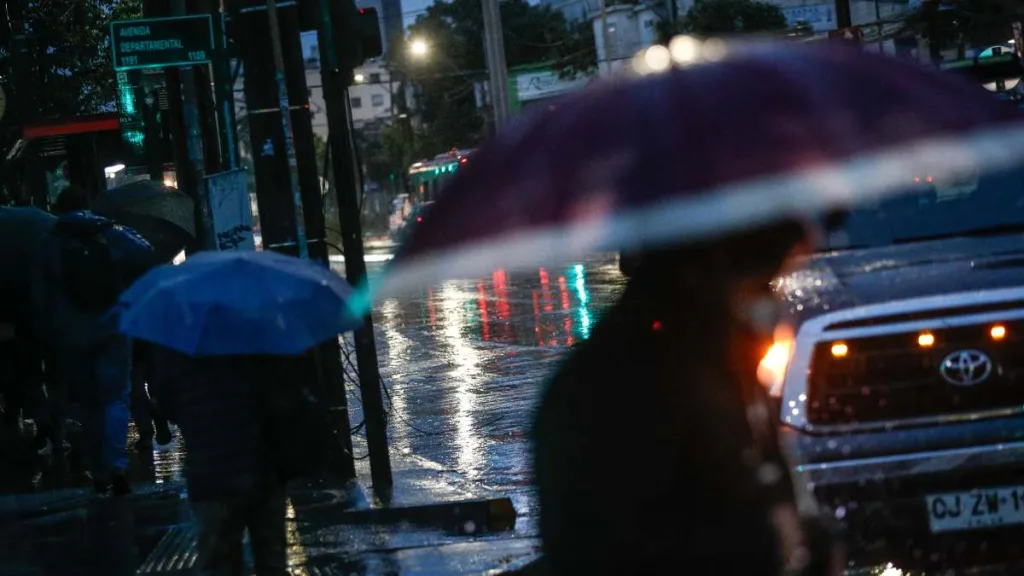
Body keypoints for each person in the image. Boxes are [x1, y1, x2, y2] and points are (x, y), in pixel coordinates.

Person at [532, 220, 844, 575]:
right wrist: (770, 541)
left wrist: (809, 544)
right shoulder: (634, 381)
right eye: (765, 281)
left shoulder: (719, 355)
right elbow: (603, 544)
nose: (774, 299)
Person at [148, 348, 322, 576]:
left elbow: (165, 402)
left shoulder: (180, 345)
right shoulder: (262, 337)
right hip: (263, 465)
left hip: (209, 467)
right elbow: (295, 392)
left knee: (219, 560)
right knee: (272, 560)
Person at [32, 198, 156, 494]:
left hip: (72, 334)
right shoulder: (108, 232)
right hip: (113, 326)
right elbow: (146, 253)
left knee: (87, 403)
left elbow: (39, 293)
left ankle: (98, 471)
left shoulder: (50, 241)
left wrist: (47, 329)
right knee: (115, 398)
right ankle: (117, 464)